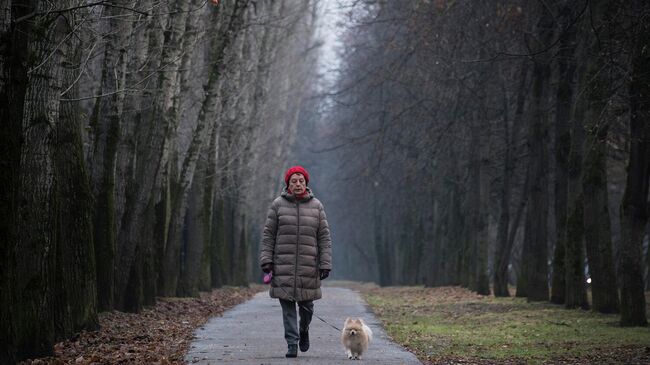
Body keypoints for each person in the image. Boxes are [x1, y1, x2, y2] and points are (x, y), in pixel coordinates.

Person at [259, 165, 332, 358]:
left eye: (301, 181)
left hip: (309, 266)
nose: (298, 184)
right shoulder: (277, 205)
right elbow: (268, 235)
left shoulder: (317, 206)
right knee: (288, 308)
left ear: (306, 183)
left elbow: (324, 237)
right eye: (294, 181)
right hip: (283, 264)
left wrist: (325, 263)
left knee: (307, 308)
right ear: (288, 185)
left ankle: (304, 330)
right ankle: (292, 344)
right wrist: (266, 260)